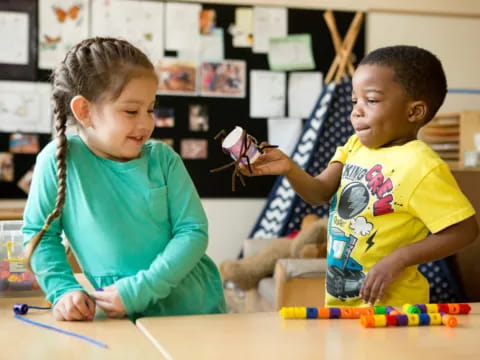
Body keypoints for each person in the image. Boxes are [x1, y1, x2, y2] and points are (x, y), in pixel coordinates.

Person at [243, 45, 478, 307]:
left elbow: (464, 230)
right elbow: (319, 192)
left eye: (372, 100)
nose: (357, 111)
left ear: (414, 112)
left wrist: (398, 259)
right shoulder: (354, 146)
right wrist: (289, 168)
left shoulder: (421, 165)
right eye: (355, 101)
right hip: (342, 304)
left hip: (392, 308)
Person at [22, 37, 226, 321]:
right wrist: (63, 291)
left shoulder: (163, 159)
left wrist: (142, 289)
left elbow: (193, 232)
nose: (146, 123)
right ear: (84, 111)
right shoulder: (58, 161)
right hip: (116, 313)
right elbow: (40, 236)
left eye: (151, 109)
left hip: (191, 310)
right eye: (131, 111)